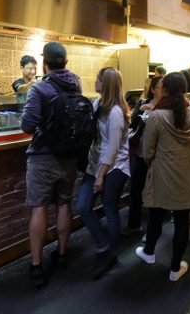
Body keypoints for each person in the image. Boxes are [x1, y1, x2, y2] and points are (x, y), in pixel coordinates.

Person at [20, 42, 82, 289]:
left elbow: (27, 125)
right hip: (69, 156)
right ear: (65, 62)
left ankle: (37, 265)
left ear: (44, 63)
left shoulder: (39, 88)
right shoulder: (76, 84)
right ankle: (62, 254)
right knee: (64, 203)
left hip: (43, 157)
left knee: (39, 208)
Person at [135, 72, 190, 281]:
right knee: (181, 221)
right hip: (187, 172)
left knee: (156, 216)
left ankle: (149, 253)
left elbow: (147, 151)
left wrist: (154, 164)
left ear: (164, 90)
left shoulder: (157, 116)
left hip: (162, 172)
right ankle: (175, 269)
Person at [76, 67, 130, 280]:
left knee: (109, 208)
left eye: (98, 79)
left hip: (114, 166)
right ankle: (104, 248)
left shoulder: (115, 112)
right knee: (83, 206)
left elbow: (113, 148)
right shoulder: (99, 104)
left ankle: (110, 253)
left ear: (105, 83)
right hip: (96, 164)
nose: (95, 81)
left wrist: (101, 175)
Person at [122, 75, 163, 236]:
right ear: (153, 89)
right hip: (140, 153)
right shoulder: (142, 103)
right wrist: (141, 110)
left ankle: (153, 230)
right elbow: (132, 123)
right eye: (160, 88)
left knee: (155, 192)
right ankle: (134, 223)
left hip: (158, 156)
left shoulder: (167, 107)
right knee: (135, 189)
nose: (164, 91)